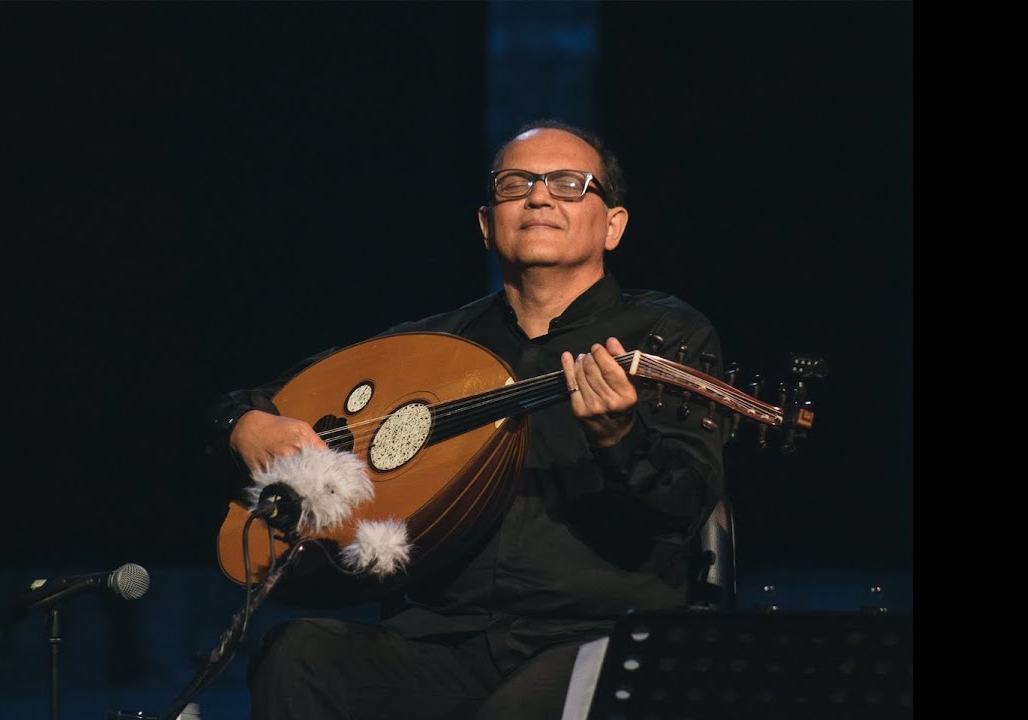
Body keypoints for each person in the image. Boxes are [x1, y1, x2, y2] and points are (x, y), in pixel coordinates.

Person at [206, 119, 726, 720]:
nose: (538, 196)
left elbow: (683, 504)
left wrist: (620, 441)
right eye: (515, 184)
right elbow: (258, 401)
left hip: (591, 638)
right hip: (439, 643)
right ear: (486, 224)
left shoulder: (665, 335)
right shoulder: (433, 345)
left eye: (567, 183)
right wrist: (246, 425)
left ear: (613, 226)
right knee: (298, 654)